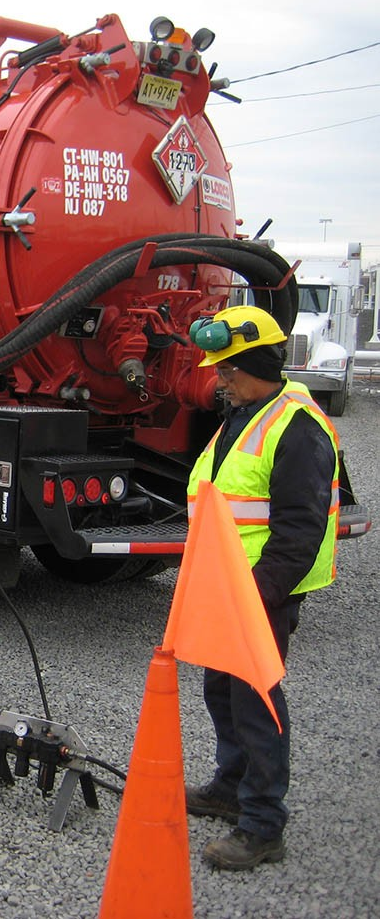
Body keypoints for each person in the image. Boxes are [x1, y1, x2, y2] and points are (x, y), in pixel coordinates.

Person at [185, 305, 339, 870]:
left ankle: (262, 825)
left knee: (257, 704)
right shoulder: (248, 411)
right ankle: (230, 787)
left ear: (259, 364)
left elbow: (301, 528)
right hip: (225, 586)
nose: (218, 378)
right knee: (222, 694)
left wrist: (259, 593)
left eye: (228, 368)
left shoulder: (297, 426)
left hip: (258, 592)